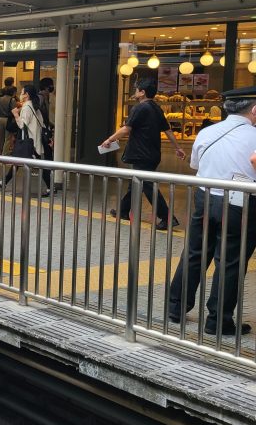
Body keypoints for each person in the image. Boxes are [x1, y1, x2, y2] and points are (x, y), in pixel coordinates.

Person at [166, 87, 256, 336]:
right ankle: (218, 321)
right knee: (230, 261)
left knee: (195, 252)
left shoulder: (207, 132)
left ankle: (175, 308)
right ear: (254, 109)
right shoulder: (254, 136)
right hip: (240, 204)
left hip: (204, 198)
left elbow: (196, 165)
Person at [101, 77, 185, 230]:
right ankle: (123, 210)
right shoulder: (157, 108)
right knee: (136, 183)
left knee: (147, 185)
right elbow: (168, 131)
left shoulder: (140, 108)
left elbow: (126, 129)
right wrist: (177, 148)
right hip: (153, 154)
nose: (135, 92)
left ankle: (167, 217)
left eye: (137, 89)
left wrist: (109, 140)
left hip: (141, 153)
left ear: (142, 92)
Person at [0, 84, 49, 191]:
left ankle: (50, 187)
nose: (20, 95)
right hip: (35, 139)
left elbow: (22, 125)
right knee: (20, 162)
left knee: (37, 165)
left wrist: (16, 114)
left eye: (22, 92)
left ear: (27, 95)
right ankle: (5, 181)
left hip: (30, 142)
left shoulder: (26, 107)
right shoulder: (34, 106)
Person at [0, 85, 18, 156]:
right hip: (8, 119)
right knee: (7, 138)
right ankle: (4, 154)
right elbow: (14, 110)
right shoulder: (12, 100)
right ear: (13, 92)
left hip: (1, 119)